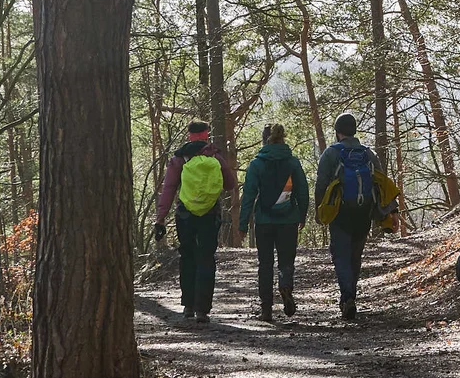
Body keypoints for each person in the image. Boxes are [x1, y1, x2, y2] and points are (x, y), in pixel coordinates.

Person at [315, 112, 397, 321]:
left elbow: (321, 185)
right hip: (364, 212)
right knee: (355, 256)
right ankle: (351, 295)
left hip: (340, 212)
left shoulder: (330, 154)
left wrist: (319, 211)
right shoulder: (367, 153)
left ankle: (347, 296)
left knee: (341, 255)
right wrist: (391, 211)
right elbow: (382, 183)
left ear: (338, 132)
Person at [154, 121, 227, 324]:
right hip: (210, 214)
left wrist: (160, 218)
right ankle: (203, 309)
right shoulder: (215, 157)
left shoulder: (178, 159)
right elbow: (229, 184)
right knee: (206, 257)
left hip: (185, 215)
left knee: (187, 256)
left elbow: (168, 189)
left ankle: (188, 306)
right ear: (206, 135)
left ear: (189, 136)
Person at [241, 123, 311, 321]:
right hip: (288, 219)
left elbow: (248, 195)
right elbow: (303, 191)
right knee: (286, 262)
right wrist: (302, 214)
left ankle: (266, 309)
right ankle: (285, 287)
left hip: (264, 221)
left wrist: (243, 224)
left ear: (265, 140)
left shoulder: (256, 164)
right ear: (283, 139)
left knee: (265, 264)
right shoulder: (293, 162)